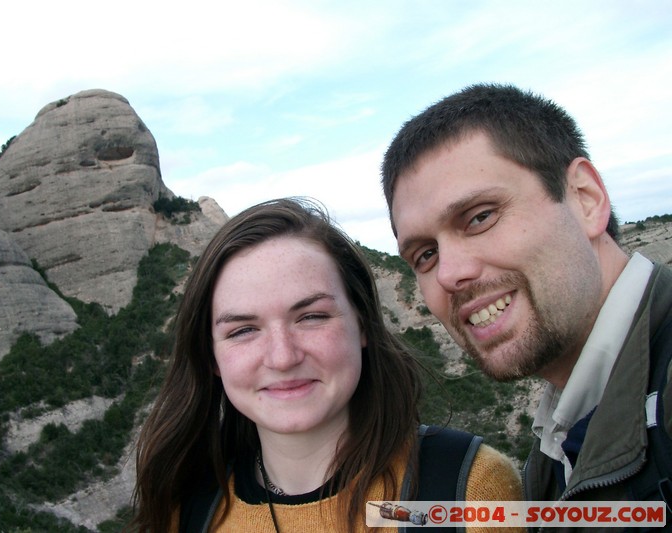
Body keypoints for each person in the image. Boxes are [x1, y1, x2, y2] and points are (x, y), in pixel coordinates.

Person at [131, 198, 522, 532]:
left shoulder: (471, 491)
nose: (283, 357)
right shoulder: (187, 509)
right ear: (211, 357)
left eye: (312, 317)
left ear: (363, 324)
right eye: (243, 330)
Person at [381, 83, 672, 508]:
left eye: (480, 217)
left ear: (586, 200)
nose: (449, 273)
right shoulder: (559, 445)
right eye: (425, 255)